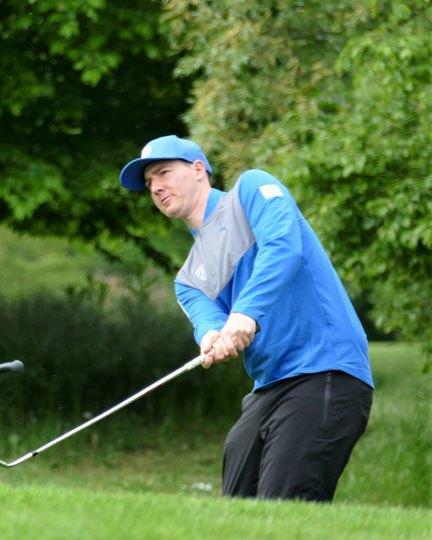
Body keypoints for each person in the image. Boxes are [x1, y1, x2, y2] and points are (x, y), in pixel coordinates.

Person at [119, 135, 374, 502]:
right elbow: (208, 324)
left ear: (197, 170)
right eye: (149, 183)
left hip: (326, 370)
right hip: (268, 387)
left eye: (163, 172)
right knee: (238, 507)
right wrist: (211, 339)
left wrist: (245, 314)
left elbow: (284, 248)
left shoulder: (251, 190)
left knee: (282, 513)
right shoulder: (188, 280)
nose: (157, 186)